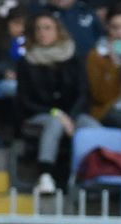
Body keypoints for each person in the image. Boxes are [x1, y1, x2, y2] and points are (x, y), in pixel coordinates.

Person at [17, 10, 100, 194]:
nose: (42, 32)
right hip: (40, 115)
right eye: (38, 29)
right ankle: (45, 176)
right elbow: (25, 101)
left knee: (90, 124)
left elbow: (82, 93)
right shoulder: (26, 62)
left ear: (58, 31)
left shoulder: (74, 59)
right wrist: (59, 115)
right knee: (54, 123)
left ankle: (96, 173)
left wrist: (71, 116)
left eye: (47, 28)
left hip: (72, 115)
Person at [87, 3, 121, 128]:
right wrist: (114, 65)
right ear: (107, 27)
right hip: (109, 110)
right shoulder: (97, 55)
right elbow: (101, 97)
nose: (120, 33)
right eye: (115, 27)